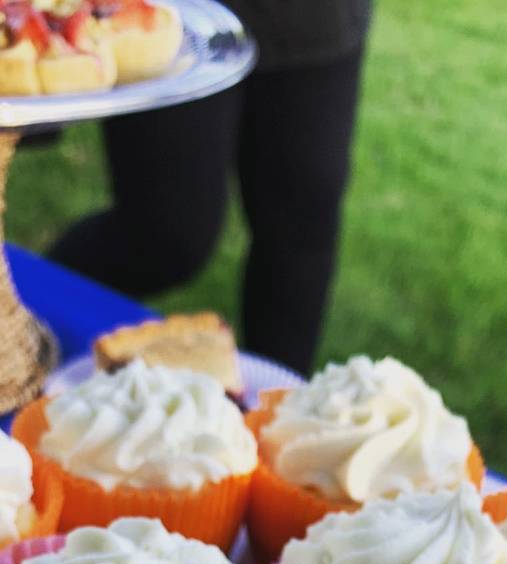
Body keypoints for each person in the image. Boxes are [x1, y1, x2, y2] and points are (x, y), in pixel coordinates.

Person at [47, 0, 372, 375]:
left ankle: (278, 410)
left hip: (317, 22)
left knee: (302, 229)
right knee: (163, 238)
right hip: (179, 14)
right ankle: (24, 323)